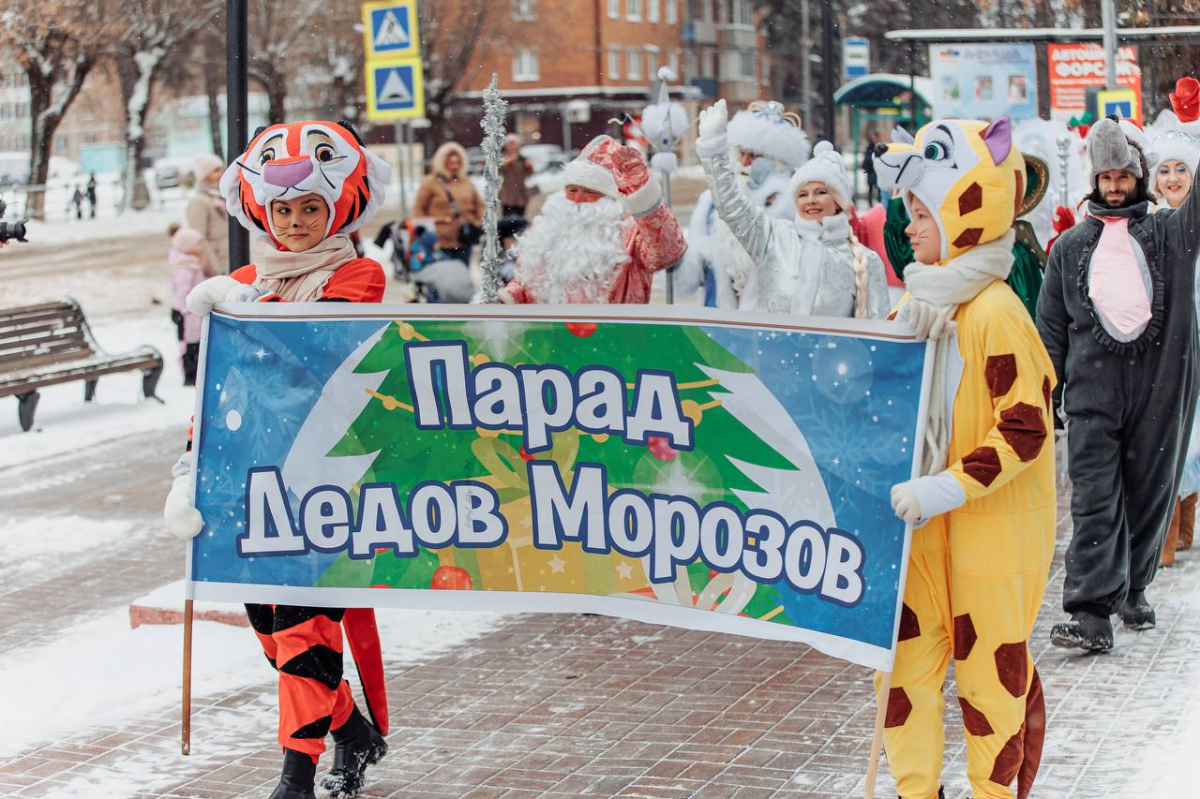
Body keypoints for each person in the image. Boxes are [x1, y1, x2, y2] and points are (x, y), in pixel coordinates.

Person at [163, 120, 393, 799]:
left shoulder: (358, 272)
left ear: (338, 206)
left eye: (310, 208)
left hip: (325, 481)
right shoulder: (240, 282)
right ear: (264, 208)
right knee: (271, 630)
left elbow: (314, 344)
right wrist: (188, 471)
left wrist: (240, 304)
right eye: (284, 209)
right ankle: (351, 729)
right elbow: (220, 391)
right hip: (251, 482)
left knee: (303, 627)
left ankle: (296, 775)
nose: (294, 223)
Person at [873, 115, 1056, 799]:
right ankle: (915, 791)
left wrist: (944, 488)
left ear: (959, 212)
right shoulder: (922, 305)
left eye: (922, 212)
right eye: (910, 212)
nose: (912, 228)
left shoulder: (996, 311)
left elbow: (1026, 428)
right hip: (921, 532)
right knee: (901, 668)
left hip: (989, 528)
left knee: (988, 677)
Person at [1038, 116, 1200, 651]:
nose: (1113, 186)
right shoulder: (1066, 248)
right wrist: (1044, 394)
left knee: (1149, 494)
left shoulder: (1168, 232)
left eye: (1122, 176)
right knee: (1094, 500)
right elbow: (1051, 331)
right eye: (1105, 176)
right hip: (1091, 394)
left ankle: (1133, 585)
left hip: (1158, 387)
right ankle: (1090, 613)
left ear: (1139, 176)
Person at [695, 99, 890, 319]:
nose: (811, 201)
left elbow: (877, 337)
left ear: (838, 200)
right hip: (764, 353)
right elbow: (731, 206)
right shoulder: (774, 237)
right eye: (803, 194)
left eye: (821, 192)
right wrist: (713, 149)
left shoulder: (866, 261)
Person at [502, 134, 686, 304]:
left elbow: (667, 253)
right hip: (553, 336)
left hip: (614, 334)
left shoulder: (630, 233)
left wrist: (644, 200)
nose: (578, 199)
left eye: (590, 192)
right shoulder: (546, 230)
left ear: (608, 198)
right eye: (572, 190)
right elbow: (524, 282)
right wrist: (505, 300)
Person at [679, 100, 809, 308]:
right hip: (716, 326)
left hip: (768, 327)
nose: (745, 161)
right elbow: (688, 279)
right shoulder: (709, 205)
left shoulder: (792, 205)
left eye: (756, 155)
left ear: (777, 161)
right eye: (742, 152)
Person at [1151, 125, 1200, 567]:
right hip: (1172, 344)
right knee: (1175, 436)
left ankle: (1185, 524)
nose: (1172, 178)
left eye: (1181, 169)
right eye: (1164, 170)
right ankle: (1168, 537)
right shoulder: (1152, 225)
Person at [413, 142, 483, 264]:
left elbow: (480, 205)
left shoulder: (466, 182)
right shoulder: (430, 182)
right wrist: (427, 234)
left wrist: (476, 222)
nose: (454, 166)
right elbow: (419, 208)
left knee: (461, 275)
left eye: (457, 163)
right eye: (451, 163)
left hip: (464, 239)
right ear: (443, 163)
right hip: (439, 242)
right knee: (444, 278)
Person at [167, 223, 208, 386]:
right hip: (185, 312)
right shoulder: (185, 266)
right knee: (188, 344)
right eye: (197, 244)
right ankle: (189, 375)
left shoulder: (191, 262)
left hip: (191, 313)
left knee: (195, 342)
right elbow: (182, 290)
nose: (200, 247)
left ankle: (194, 372)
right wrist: (187, 309)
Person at [186, 153, 229, 275]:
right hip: (219, 267)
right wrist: (216, 269)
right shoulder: (198, 202)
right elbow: (199, 238)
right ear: (205, 176)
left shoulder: (223, 197)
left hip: (231, 262)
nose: (221, 173)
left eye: (221, 169)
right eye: (215, 170)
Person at [498, 134, 533, 218]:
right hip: (507, 194)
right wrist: (507, 163)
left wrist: (529, 167)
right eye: (510, 144)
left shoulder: (523, 159)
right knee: (507, 217)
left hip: (520, 193)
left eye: (514, 144)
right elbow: (499, 170)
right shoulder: (503, 158)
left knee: (521, 218)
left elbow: (529, 174)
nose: (512, 147)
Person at [862, 131, 881, 205]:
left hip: (877, 170)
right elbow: (867, 157)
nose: (874, 139)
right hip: (871, 170)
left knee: (879, 187)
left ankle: (879, 203)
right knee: (870, 187)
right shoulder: (870, 147)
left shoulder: (879, 146)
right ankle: (870, 203)